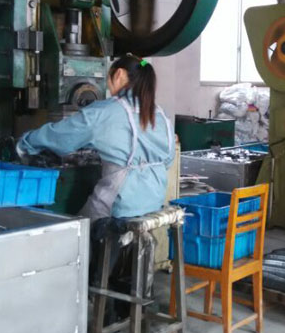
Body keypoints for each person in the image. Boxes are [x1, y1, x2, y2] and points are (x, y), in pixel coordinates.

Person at [17, 54, 174, 223]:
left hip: (116, 211)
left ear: (119, 74)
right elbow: (168, 160)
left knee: (75, 227)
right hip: (153, 206)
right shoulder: (161, 116)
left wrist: (25, 143)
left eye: (108, 77)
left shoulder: (105, 112)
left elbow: (61, 138)